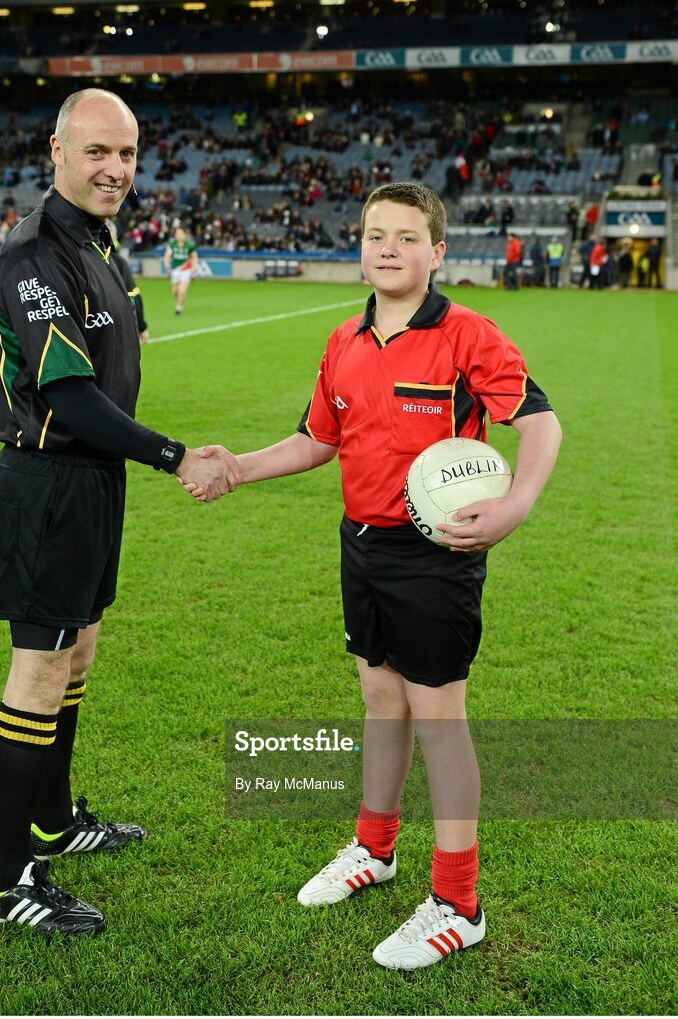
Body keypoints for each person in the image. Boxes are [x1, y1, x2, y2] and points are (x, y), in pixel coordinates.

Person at [185, 182, 562, 970]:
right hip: (360, 544)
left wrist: (517, 504)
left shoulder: (468, 336)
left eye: (406, 237)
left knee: (438, 718)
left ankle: (460, 901)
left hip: (437, 555)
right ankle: (374, 848)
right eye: (374, 234)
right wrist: (238, 468)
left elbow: (538, 421)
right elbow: (316, 441)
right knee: (380, 700)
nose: (387, 248)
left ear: (437, 252)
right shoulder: (343, 341)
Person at [0, 89, 238, 937]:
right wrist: (172, 456)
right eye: (96, 152)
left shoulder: (99, 242)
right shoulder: (34, 253)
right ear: (56, 151)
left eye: (126, 154)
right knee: (41, 669)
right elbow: (68, 394)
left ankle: (54, 821)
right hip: (58, 484)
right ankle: (7, 880)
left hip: (79, 481)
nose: (116, 169)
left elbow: (55, 398)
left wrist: (27, 448)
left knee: (78, 647)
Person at [163, 226, 198, 315]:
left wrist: (194, 270)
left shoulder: (190, 245)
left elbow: (194, 258)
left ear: (184, 235)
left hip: (186, 271)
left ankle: (178, 308)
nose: (178, 235)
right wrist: (167, 268)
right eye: (176, 234)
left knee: (181, 291)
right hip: (175, 271)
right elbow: (167, 257)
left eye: (180, 233)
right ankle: (180, 301)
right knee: (175, 292)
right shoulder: (172, 245)